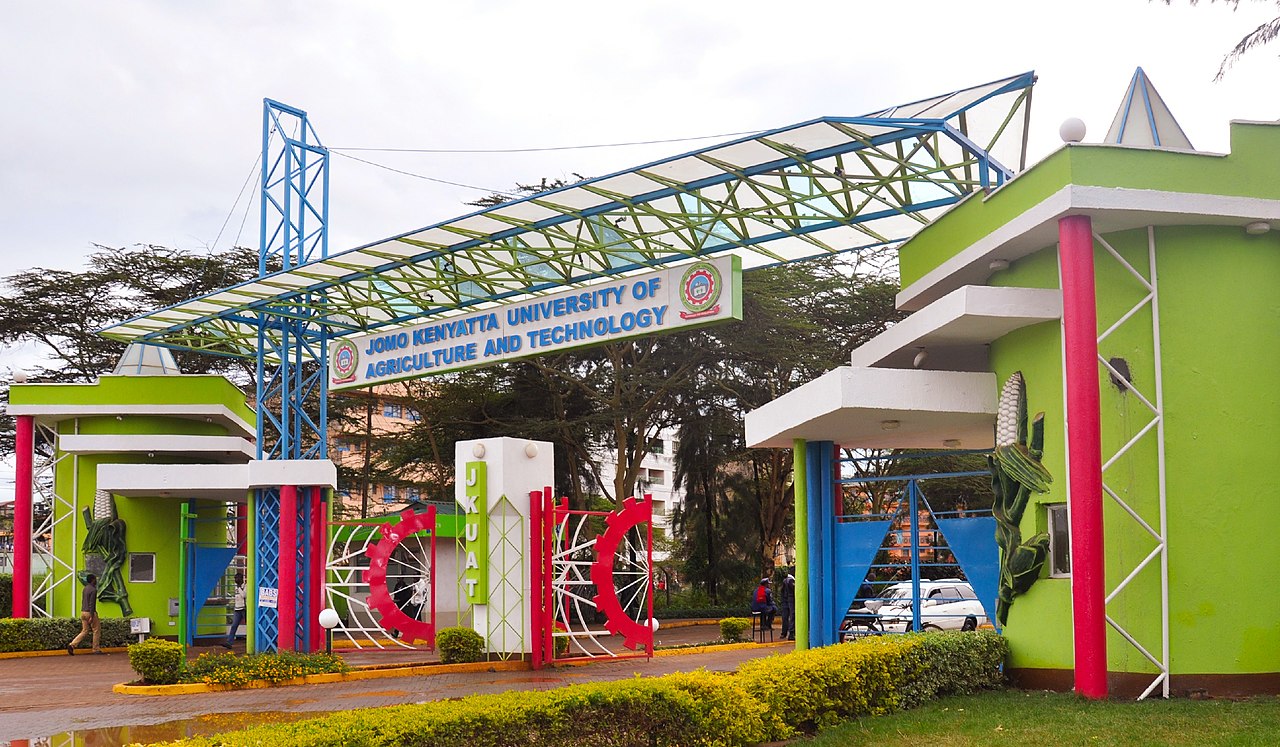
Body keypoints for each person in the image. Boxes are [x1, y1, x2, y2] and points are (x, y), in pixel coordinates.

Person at [67, 573, 102, 655]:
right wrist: (92, 616)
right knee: (96, 630)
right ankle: (95, 649)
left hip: (83, 612)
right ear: (92, 580)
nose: (96, 581)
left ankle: (72, 644)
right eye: (95, 579)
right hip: (90, 612)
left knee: (85, 630)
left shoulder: (85, 588)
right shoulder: (93, 590)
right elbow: (92, 603)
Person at [222, 572, 246, 650]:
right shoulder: (236, 587)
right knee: (234, 625)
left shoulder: (245, 586)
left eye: (237, 578)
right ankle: (229, 642)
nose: (236, 580)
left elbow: (244, 595)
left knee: (249, 625)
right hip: (237, 609)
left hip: (244, 608)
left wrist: (239, 588)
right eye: (235, 578)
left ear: (241, 579)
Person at [779, 574, 796, 640]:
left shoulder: (785, 581)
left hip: (785, 601)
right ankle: (791, 633)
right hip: (791, 599)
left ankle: (784, 633)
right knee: (792, 615)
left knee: (785, 617)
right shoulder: (790, 580)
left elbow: (782, 592)